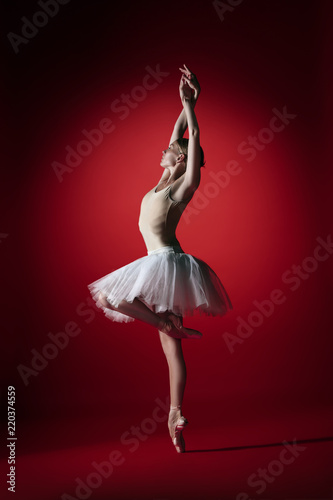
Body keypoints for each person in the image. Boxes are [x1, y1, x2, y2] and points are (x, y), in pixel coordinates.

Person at [88, 64, 233, 453]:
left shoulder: (182, 187)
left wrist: (193, 111)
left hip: (166, 261)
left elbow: (192, 137)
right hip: (158, 264)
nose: (165, 146)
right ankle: (175, 416)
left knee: (110, 299)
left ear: (182, 161)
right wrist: (189, 101)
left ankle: (174, 399)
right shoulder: (160, 183)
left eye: (172, 149)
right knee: (169, 343)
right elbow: (180, 135)